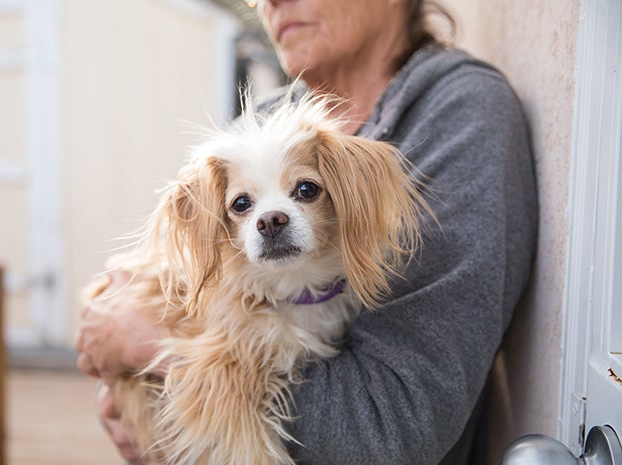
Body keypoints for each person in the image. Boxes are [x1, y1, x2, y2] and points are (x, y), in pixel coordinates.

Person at [75, 0, 538, 464]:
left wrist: (147, 345)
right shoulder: (263, 116)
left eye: (306, 190)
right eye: (242, 204)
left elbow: (393, 430)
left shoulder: (459, 114)